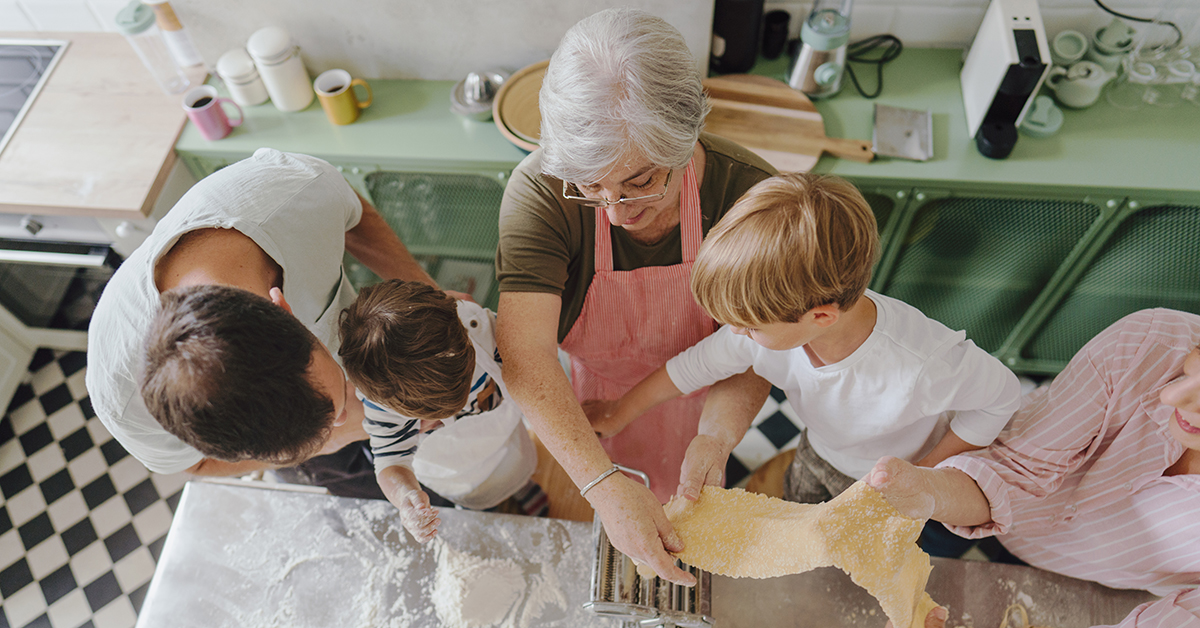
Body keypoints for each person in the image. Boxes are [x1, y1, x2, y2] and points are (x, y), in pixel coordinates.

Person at [494, 7, 777, 584]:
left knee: (690, 491)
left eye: (641, 182)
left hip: (706, 387)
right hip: (591, 393)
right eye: (590, 187)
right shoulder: (541, 193)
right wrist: (600, 484)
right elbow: (527, 357)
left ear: (688, 132)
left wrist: (717, 437)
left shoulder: (752, 198)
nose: (617, 215)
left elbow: (758, 345)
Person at [588, 173, 1022, 508]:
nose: (736, 334)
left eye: (750, 327)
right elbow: (696, 365)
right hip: (819, 448)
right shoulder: (771, 326)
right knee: (801, 503)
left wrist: (925, 474)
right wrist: (620, 411)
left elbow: (1001, 397)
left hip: (894, 474)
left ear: (820, 317)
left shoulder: (922, 362)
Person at [87, 148, 440, 497]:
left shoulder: (297, 191)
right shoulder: (122, 402)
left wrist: (430, 294)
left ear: (285, 307)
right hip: (305, 454)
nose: (342, 415)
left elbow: (354, 215)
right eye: (337, 414)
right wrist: (335, 440)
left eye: (337, 405)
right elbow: (195, 466)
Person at [866, 308, 1200, 628]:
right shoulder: (1150, 344)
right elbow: (1014, 469)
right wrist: (929, 490)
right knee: (876, 582)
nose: (1172, 396)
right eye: (1197, 367)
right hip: (963, 489)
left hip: (1072, 571)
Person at [337, 280, 544, 542]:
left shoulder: (482, 330)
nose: (445, 419)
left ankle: (523, 487)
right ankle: (489, 510)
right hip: (456, 472)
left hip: (502, 433)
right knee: (480, 502)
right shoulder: (381, 401)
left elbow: (536, 366)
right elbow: (391, 462)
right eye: (432, 417)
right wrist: (406, 496)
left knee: (515, 467)